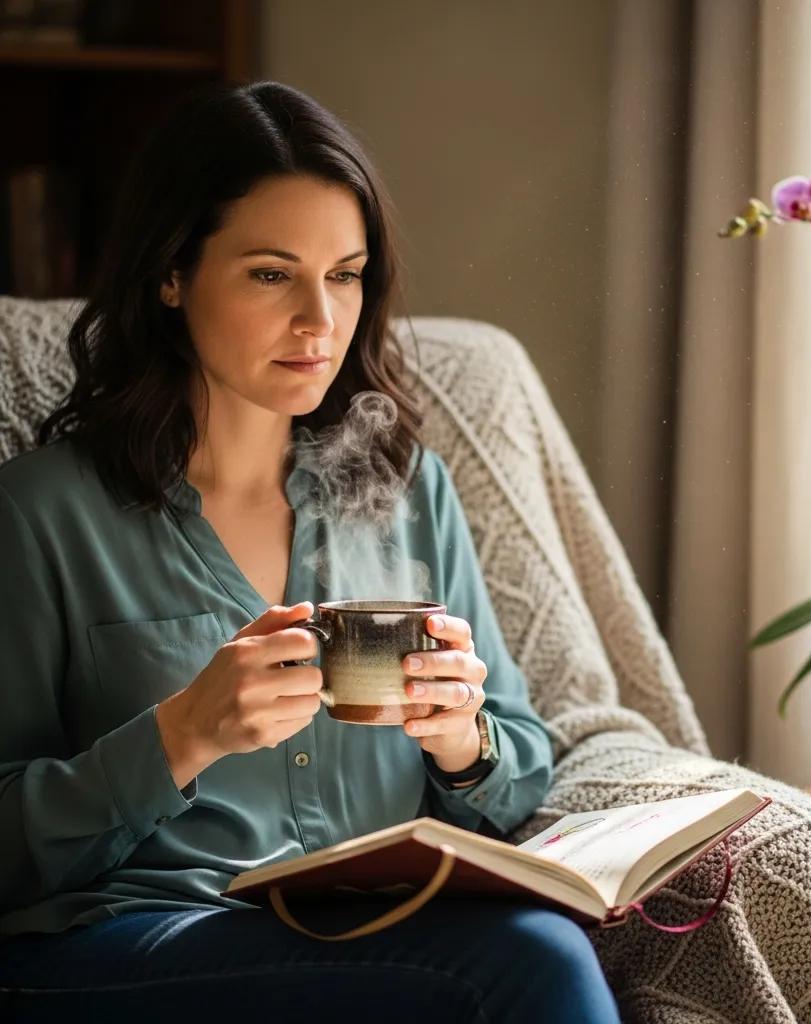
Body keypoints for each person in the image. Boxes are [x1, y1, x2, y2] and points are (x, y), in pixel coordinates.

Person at [0, 81, 622, 1023]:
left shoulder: (407, 493)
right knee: (528, 963)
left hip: (368, 933)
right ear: (171, 274)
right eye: (271, 274)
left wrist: (462, 739)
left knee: (530, 945)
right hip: (132, 942)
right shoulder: (39, 514)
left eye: (346, 274)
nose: (320, 320)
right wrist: (184, 733)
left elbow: (520, 761)